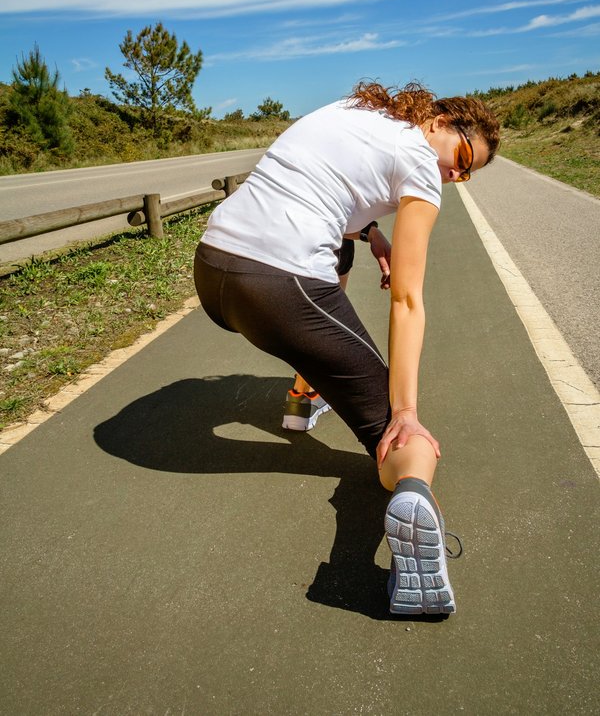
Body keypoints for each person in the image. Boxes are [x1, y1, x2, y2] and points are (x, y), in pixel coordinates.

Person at [194, 81, 500, 615]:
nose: (458, 175)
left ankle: (303, 396)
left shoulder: (356, 110)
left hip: (214, 272)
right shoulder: (420, 162)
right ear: (439, 123)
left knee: (338, 253)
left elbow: (329, 188)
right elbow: (407, 298)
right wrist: (404, 411)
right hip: (278, 286)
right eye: (464, 156)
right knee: (396, 435)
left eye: (469, 173)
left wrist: (375, 236)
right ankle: (411, 495)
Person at [282, 228, 391, 431]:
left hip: (281, 245)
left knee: (306, 321)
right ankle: (305, 396)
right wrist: (372, 232)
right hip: (331, 243)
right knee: (323, 323)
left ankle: (301, 395)